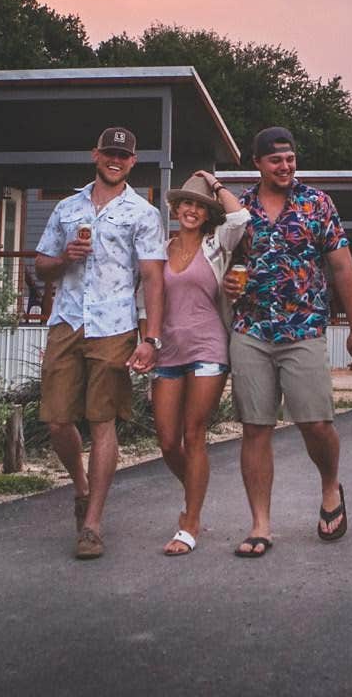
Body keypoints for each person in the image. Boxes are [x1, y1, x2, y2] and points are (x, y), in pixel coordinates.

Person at [221, 126, 352, 558]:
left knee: (316, 423)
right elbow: (220, 263)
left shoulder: (317, 204)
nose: (285, 166)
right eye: (275, 160)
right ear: (257, 164)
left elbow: (341, 267)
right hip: (251, 330)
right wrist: (228, 281)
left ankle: (329, 486)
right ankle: (261, 524)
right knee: (255, 427)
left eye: (290, 159)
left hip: (303, 329)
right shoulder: (239, 209)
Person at [32, 126, 166, 560]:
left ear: (133, 161)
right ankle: (81, 485)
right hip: (67, 321)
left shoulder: (142, 214)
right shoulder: (68, 208)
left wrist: (151, 338)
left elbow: (151, 278)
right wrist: (63, 258)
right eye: (109, 153)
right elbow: (42, 265)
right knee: (56, 420)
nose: (116, 160)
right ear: (95, 155)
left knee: (102, 419)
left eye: (124, 156)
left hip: (114, 325)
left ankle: (92, 523)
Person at [151, 170, 249, 556]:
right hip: (167, 351)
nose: (191, 210)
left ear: (208, 214)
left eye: (199, 206)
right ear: (175, 209)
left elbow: (240, 219)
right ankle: (195, 491)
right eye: (186, 203)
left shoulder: (216, 244)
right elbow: (147, 297)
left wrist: (216, 184)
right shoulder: (160, 247)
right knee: (166, 441)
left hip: (209, 348)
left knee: (194, 434)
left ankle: (189, 522)